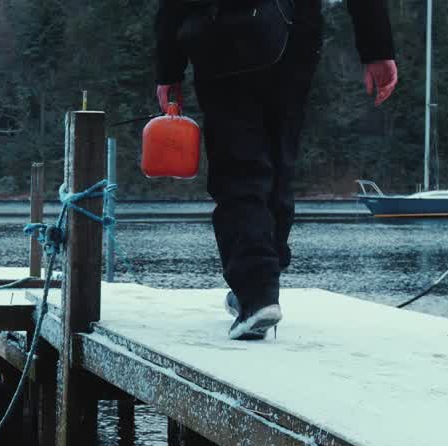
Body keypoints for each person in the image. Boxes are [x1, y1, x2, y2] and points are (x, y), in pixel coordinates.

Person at [155, 0, 397, 339]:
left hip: (225, 33)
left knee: (239, 167)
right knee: (279, 164)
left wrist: (168, 68)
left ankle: (257, 293)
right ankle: (260, 286)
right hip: (296, 33)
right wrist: (376, 48)